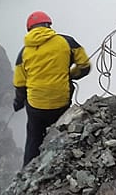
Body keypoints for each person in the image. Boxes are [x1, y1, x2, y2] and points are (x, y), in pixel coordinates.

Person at [13, 11, 90, 168]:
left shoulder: (23, 53)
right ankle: (68, 163)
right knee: (62, 131)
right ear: (48, 25)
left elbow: (20, 85)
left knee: (33, 138)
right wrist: (69, 75)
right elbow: (85, 66)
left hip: (36, 107)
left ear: (30, 29)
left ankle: (26, 171)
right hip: (60, 103)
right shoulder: (67, 42)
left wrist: (18, 103)